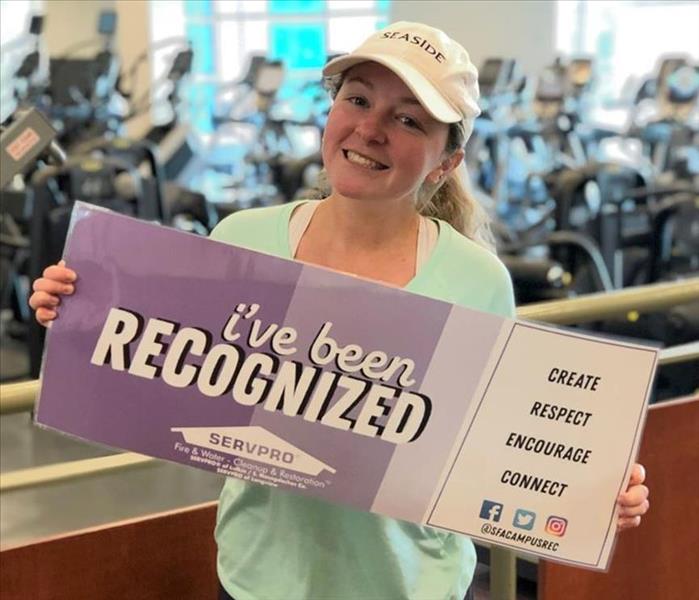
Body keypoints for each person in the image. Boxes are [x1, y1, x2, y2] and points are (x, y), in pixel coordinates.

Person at [29, 21, 649, 600]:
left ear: (446, 161)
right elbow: (165, 384)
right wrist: (81, 311)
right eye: (357, 100)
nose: (371, 129)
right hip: (259, 578)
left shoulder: (475, 279)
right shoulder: (243, 241)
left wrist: (588, 488)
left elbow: (506, 448)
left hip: (413, 586)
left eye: (407, 120)